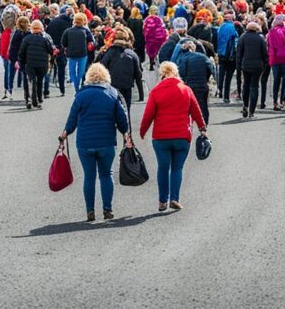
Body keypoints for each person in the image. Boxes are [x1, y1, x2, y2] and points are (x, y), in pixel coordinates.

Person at [60, 64, 132, 222]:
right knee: (106, 174)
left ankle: (90, 211)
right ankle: (107, 209)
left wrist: (65, 132)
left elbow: (72, 118)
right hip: (106, 141)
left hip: (85, 142)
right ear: (106, 76)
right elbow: (122, 118)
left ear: (89, 78)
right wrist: (126, 133)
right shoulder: (112, 93)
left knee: (89, 176)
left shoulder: (81, 95)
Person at [140, 62, 208, 212]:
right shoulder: (186, 90)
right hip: (182, 136)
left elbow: (148, 115)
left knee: (163, 168)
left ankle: (162, 201)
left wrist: (142, 131)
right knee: (177, 168)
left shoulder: (156, 91)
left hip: (161, 137)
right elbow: (196, 110)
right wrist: (202, 128)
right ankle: (175, 199)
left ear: (162, 75)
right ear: (176, 74)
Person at [99, 27, 144, 111]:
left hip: (112, 85)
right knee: (126, 109)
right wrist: (141, 94)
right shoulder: (132, 54)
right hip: (127, 86)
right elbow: (138, 75)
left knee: (113, 110)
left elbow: (102, 68)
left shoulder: (109, 52)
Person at [175, 38, 217, 124]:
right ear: (193, 48)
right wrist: (207, 78)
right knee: (203, 105)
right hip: (202, 85)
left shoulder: (183, 59)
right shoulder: (203, 56)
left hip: (189, 85)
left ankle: (188, 124)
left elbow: (181, 73)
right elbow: (211, 68)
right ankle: (204, 125)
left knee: (187, 106)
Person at [18, 19, 54, 110]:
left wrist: (22, 65)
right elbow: (51, 51)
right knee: (39, 82)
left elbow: (21, 53)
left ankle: (31, 100)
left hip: (30, 64)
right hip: (42, 64)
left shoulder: (26, 39)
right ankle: (38, 99)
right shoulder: (44, 40)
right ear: (41, 29)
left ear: (31, 29)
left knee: (31, 81)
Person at [236, 21, 268, 118]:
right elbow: (265, 53)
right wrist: (265, 64)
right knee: (254, 87)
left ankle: (245, 105)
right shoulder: (260, 38)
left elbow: (239, 52)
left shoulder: (243, 37)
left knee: (246, 85)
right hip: (257, 66)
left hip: (245, 65)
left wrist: (238, 65)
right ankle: (252, 111)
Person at [266, 14, 285, 111]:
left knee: (276, 81)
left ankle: (275, 101)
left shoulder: (271, 32)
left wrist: (271, 60)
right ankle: (283, 100)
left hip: (275, 59)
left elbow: (271, 48)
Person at [61, 12, 93, 91]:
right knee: (81, 72)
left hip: (71, 54)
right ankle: (78, 85)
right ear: (83, 21)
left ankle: (76, 86)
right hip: (83, 54)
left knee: (72, 72)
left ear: (74, 21)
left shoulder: (68, 31)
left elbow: (63, 42)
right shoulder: (86, 31)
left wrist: (66, 48)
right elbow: (91, 40)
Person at [46, 6, 72, 96]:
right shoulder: (67, 24)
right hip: (61, 48)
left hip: (51, 47)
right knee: (61, 69)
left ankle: (46, 90)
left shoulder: (52, 22)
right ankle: (62, 89)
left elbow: (47, 34)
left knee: (49, 69)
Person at [216, 13, 240, 104]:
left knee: (221, 73)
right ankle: (226, 96)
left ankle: (219, 91)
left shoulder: (220, 28)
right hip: (230, 55)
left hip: (221, 53)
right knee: (228, 77)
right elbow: (235, 42)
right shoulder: (233, 28)